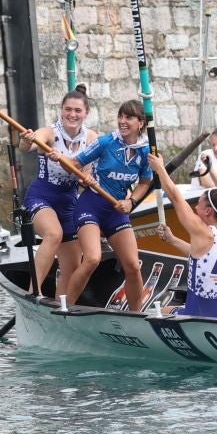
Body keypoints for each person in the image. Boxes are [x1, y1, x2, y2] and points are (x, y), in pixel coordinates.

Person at [63, 100, 156, 310]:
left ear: (140, 123)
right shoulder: (106, 142)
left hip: (115, 211)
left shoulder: (144, 152)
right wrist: (69, 166)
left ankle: (136, 317)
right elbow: (75, 164)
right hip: (90, 205)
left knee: (133, 266)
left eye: (128, 117)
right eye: (120, 116)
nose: (122, 122)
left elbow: (144, 182)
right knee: (93, 258)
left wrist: (131, 202)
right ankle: (65, 308)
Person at [21, 89, 97, 302]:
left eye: (77, 110)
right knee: (54, 234)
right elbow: (29, 144)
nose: (72, 114)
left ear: (86, 113)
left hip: (69, 202)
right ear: (61, 111)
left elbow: (85, 178)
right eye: (68, 110)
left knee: (72, 267)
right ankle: (32, 293)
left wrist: (82, 175)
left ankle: (60, 308)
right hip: (42, 196)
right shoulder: (50, 133)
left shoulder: (91, 138)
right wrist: (27, 139)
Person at [147, 159, 217, 319]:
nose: (195, 208)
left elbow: (176, 197)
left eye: (198, 205)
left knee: (157, 312)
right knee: (169, 309)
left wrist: (160, 169)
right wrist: (172, 239)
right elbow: (202, 259)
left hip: (196, 313)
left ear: (208, 211)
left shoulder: (202, 232)